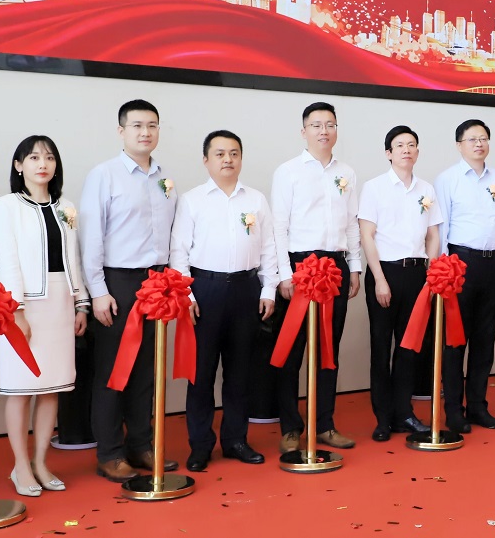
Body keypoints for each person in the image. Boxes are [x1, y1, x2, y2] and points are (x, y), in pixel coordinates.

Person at [80, 100, 178, 482]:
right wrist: (98, 291)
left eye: (152, 125)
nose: (145, 132)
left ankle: (141, 445)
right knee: (112, 370)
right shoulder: (104, 175)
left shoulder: (164, 178)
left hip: (157, 283)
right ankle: (109, 452)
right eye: (137, 125)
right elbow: (91, 237)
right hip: (117, 283)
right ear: (121, 131)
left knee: (146, 370)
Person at [171, 131, 276, 471]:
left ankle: (235, 440)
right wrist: (186, 294)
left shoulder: (256, 200)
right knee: (200, 374)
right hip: (205, 291)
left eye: (233, 153)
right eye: (219, 154)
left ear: (241, 158)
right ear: (206, 160)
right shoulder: (192, 200)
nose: (227, 159)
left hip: (246, 289)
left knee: (240, 372)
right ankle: (200, 445)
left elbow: (269, 248)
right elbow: (178, 252)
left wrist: (268, 289)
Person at [0, 136, 90, 496]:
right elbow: (7, 261)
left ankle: (41, 462)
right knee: (20, 390)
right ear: (19, 165)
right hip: (23, 305)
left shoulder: (67, 207)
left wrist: (81, 304)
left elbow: (73, 258)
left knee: (52, 389)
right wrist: (15, 310)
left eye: (49, 157)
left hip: (61, 303)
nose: (42, 164)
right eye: (33, 157)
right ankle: (20, 466)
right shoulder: (5, 207)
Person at [270, 102, 361, 453]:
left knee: (327, 349)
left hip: (335, 266)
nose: (324, 131)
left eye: (330, 124)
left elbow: (351, 223)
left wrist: (354, 267)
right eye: (317, 125)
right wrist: (284, 274)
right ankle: (291, 428)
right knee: (292, 351)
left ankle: (324, 424)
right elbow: (278, 226)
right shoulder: (288, 171)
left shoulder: (347, 173)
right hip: (300, 267)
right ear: (304, 130)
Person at [358, 126, 442, 441]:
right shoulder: (374, 188)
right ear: (388, 153)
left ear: (417, 152)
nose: (406, 149)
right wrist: (379, 279)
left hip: (417, 274)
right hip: (385, 273)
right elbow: (367, 235)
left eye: (412, 145)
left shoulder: (426, 189)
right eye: (400, 145)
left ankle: (404, 413)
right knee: (381, 348)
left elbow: (433, 235)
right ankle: (383, 418)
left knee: (409, 349)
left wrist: (431, 273)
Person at [434, 119, 495, 432]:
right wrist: (444, 270)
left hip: (492, 264)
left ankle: (478, 407)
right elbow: (441, 226)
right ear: (459, 145)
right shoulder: (448, 179)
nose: (479, 144)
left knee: (484, 340)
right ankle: (453, 410)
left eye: (483, 138)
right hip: (459, 264)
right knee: (455, 341)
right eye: (472, 139)